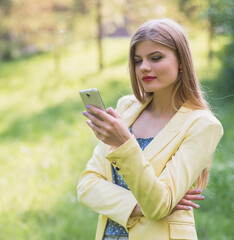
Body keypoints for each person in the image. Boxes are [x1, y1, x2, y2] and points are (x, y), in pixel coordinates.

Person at [77, 18, 223, 240]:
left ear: (181, 61)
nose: (144, 67)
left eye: (156, 58)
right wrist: (140, 206)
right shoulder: (126, 108)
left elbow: (157, 205)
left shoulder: (202, 125)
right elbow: (87, 186)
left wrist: (124, 143)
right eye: (137, 60)